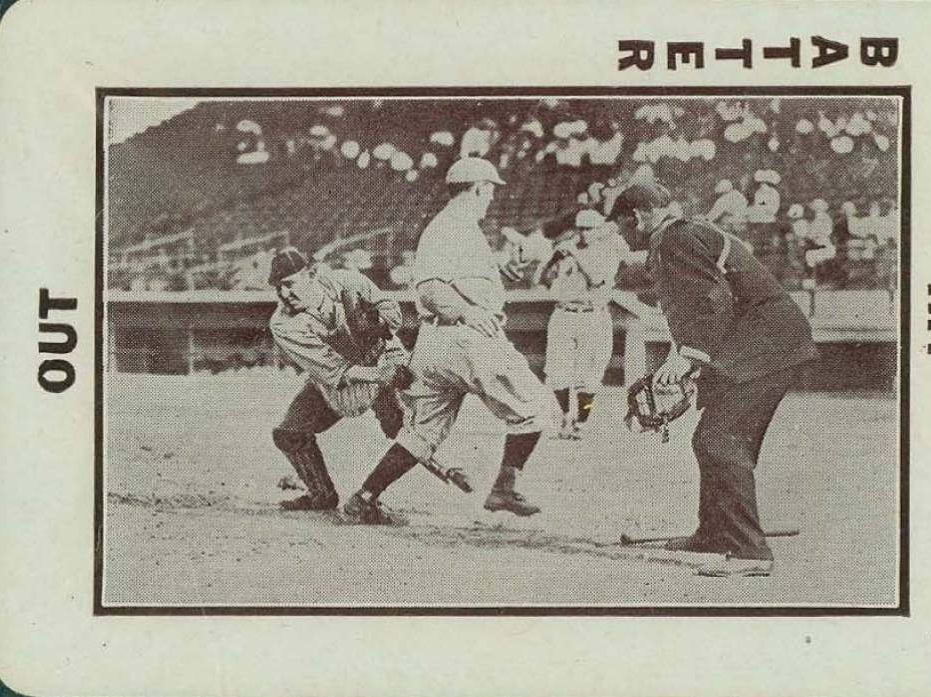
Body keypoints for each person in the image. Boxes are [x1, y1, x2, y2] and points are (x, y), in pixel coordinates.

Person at [608, 182, 819, 577]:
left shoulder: (674, 239)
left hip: (766, 345)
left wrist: (689, 355)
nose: (624, 236)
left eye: (622, 227)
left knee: (720, 440)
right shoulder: (688, 232)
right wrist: (688, 355)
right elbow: (703, 300)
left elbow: (708, 301)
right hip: (763, 342)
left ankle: (749, 552)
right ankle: (715, 533)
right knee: (712, 439)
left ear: (636, 217)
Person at [341, 157, 559, 522]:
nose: (491, 197)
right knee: (537, 407)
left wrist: (511, 267)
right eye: (490, 189)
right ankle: (504, 489)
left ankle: (364, 497)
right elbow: (429, 288)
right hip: (465, 340)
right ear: (476, 188)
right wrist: (468, 313)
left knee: (422, 432)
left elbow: (467, 283)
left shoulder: (459, 228)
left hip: (436, 344)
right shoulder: (451, 227)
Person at [268, 247, 409, 512]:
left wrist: (378, 321)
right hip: (339, 383)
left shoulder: (348, 281)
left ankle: (369, 495)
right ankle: (322, 495)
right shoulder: (283, 323)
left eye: (288, 285)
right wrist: (380, 376)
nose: (284, 295)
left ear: (310, 273)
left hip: (381, 357)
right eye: (278, 288)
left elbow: (392, 311)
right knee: (288, 434)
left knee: (404, 430)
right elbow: (335, 371)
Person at [539, 208, 630, 440]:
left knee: (588, 377)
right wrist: (552, 260)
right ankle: (565, 416)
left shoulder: (609, 249)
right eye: (580, 228)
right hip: (564, 313)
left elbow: (597, 279)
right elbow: (542, 280)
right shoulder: (569, 248)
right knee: (556, 372)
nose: (584, 233)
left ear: (599, 229)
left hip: (593, 315)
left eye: (589, 228)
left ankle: (581, 421)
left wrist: (575, 255)